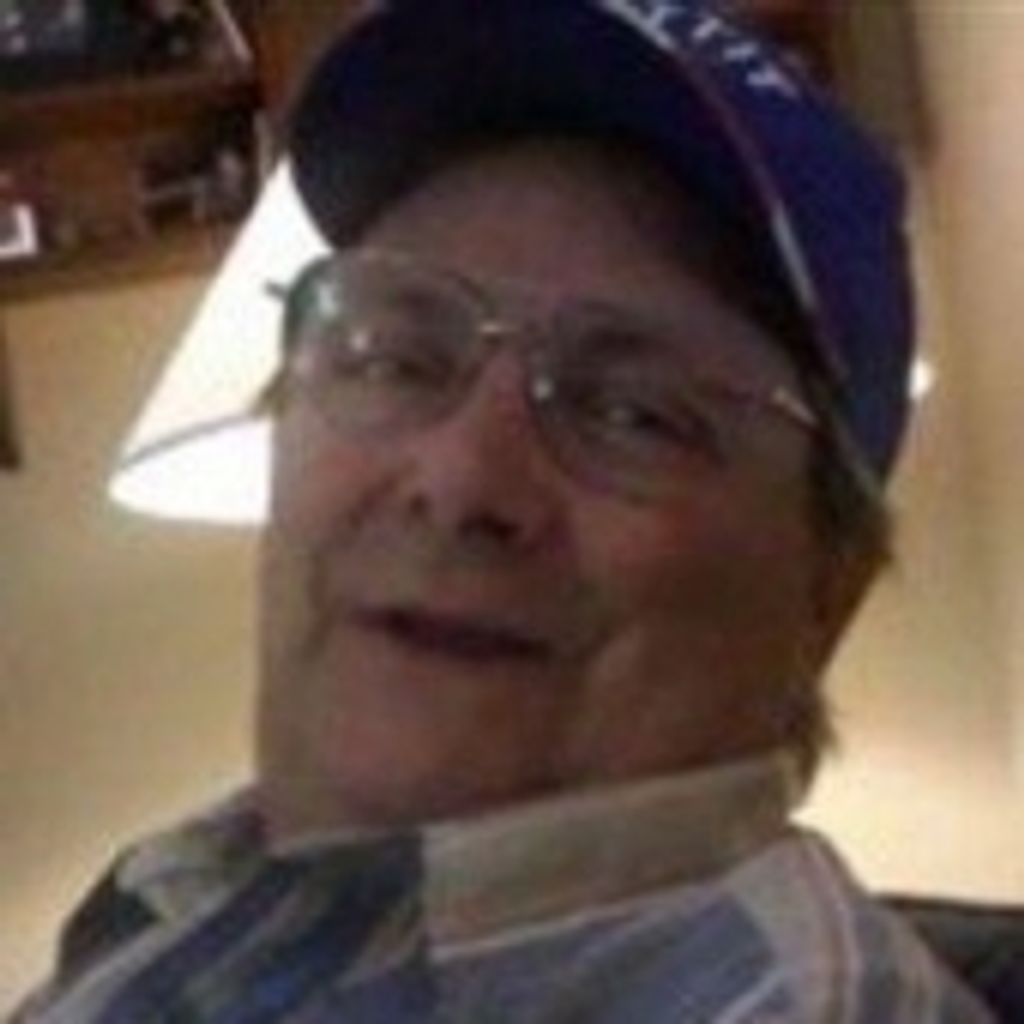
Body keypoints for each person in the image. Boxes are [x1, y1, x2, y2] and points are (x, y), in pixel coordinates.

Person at [10, 1, 1000, 1021]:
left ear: (825, 593)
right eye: (396, 356)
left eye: (636, 413)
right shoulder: (183, 897)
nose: (459, 478)